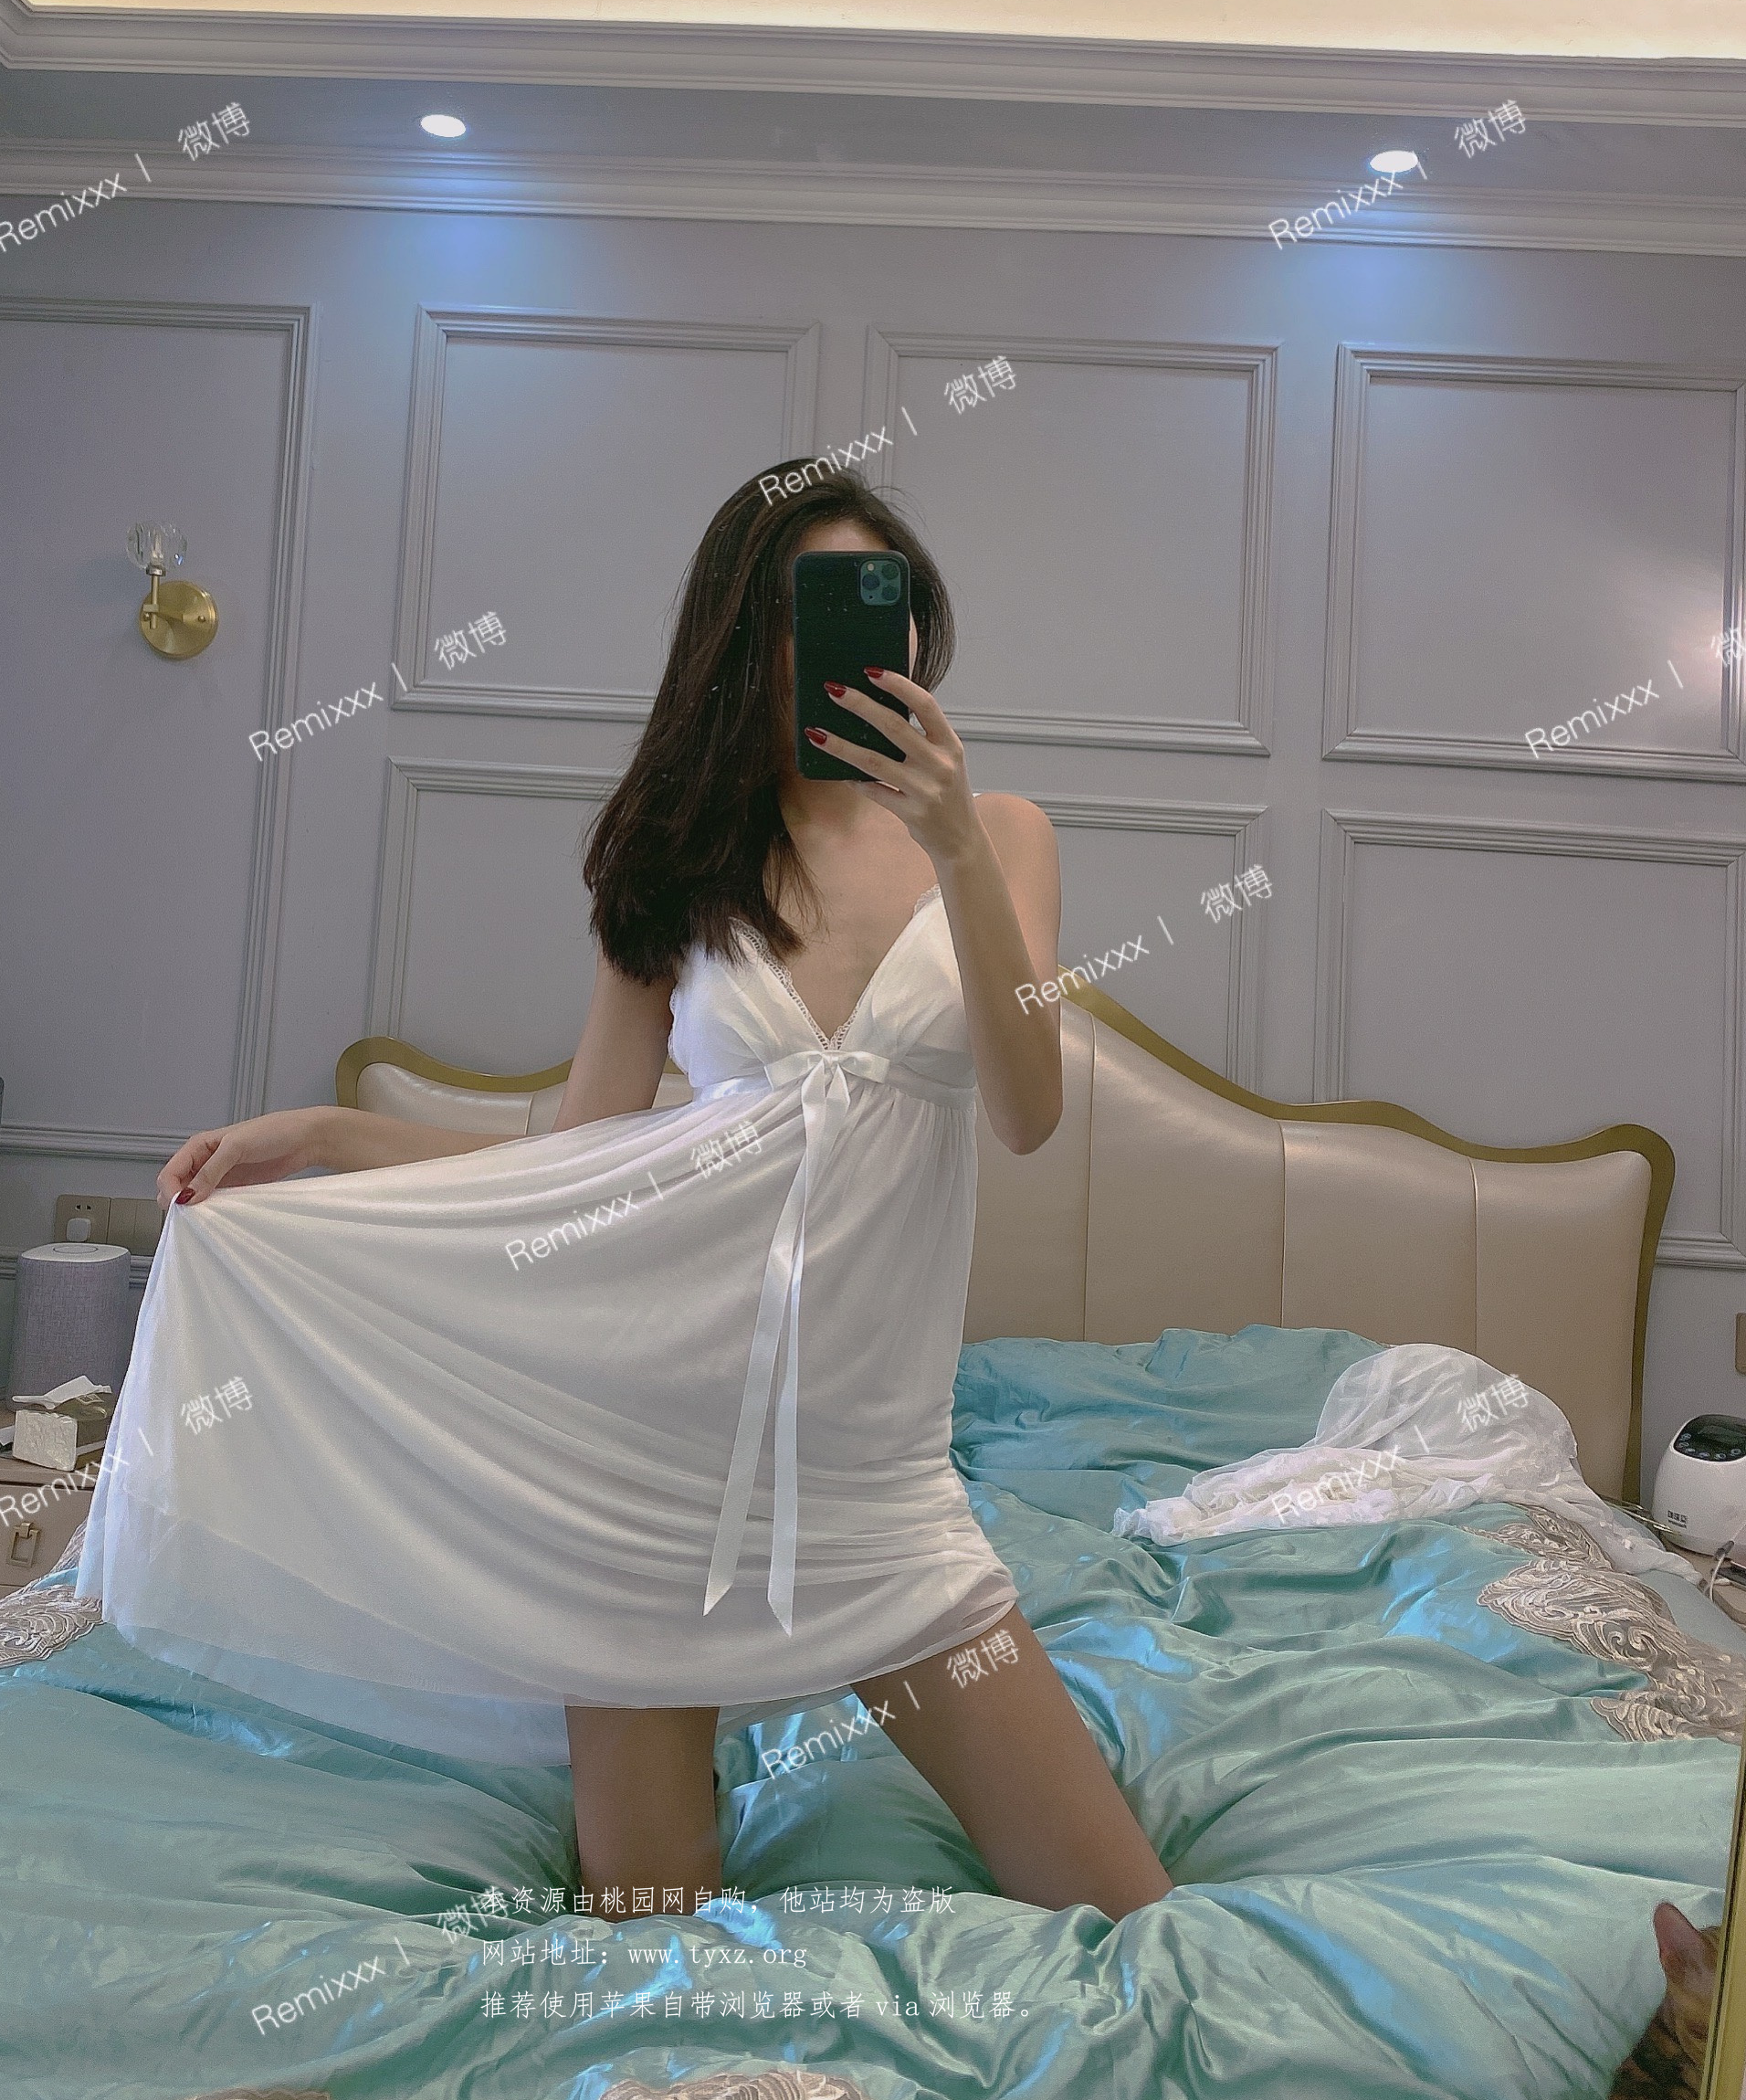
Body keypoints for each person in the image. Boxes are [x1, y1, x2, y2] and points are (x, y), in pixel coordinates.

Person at [92, 470, 1172, 1922]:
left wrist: (958, 849)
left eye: (884, 605)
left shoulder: (1005, 835)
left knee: (1122, 1909)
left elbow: (1029, 1113)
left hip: (878, 1489)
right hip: (648, 1476)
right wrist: (330, 1134)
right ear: (746, 642)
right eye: (808, 612)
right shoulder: (679, 865)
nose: (858, 643)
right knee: (644, 1945)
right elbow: (574, 1158)